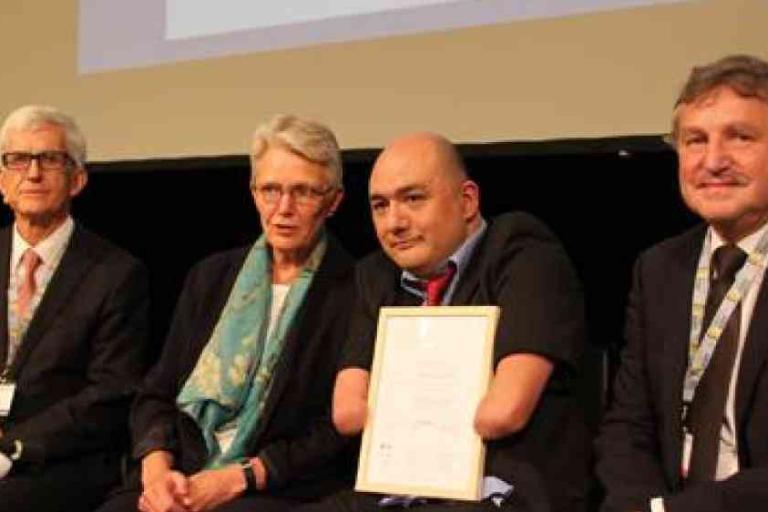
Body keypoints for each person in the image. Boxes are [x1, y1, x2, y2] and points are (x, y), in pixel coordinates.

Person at [316, 132, 587, 512]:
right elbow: (348, 414)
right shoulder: (376, 276)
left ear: (467, 201)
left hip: (499, 492)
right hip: (397, 492)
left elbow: (502, 415)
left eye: (413, 199)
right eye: (380, 205)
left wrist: (411, 399)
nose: (394, 222)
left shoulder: (520, 250)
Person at [98, 115, 356, 512]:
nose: (283, 208)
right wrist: (157, 475)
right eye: (271, 190)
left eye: (303, 192)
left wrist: (239, 477)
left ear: (333, 201)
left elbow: (333, 433)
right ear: (254, 193)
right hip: (181, 469)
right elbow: (157, 392)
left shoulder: (355, 288)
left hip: (275, 485)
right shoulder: (211, 277)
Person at [596, 54, 768, 512]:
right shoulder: (658, 269)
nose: (713, 161)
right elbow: (628, 425)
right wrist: (641, 507)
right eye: (695, 141)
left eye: (741, 137)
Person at [0, 105, 150, 511]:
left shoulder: (116, 274)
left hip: (60, 464)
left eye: (49, 159)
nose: (32, 173)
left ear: (77, 180)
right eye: (17, 159)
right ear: (2, 180)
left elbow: (111, 392)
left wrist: (12, 447)